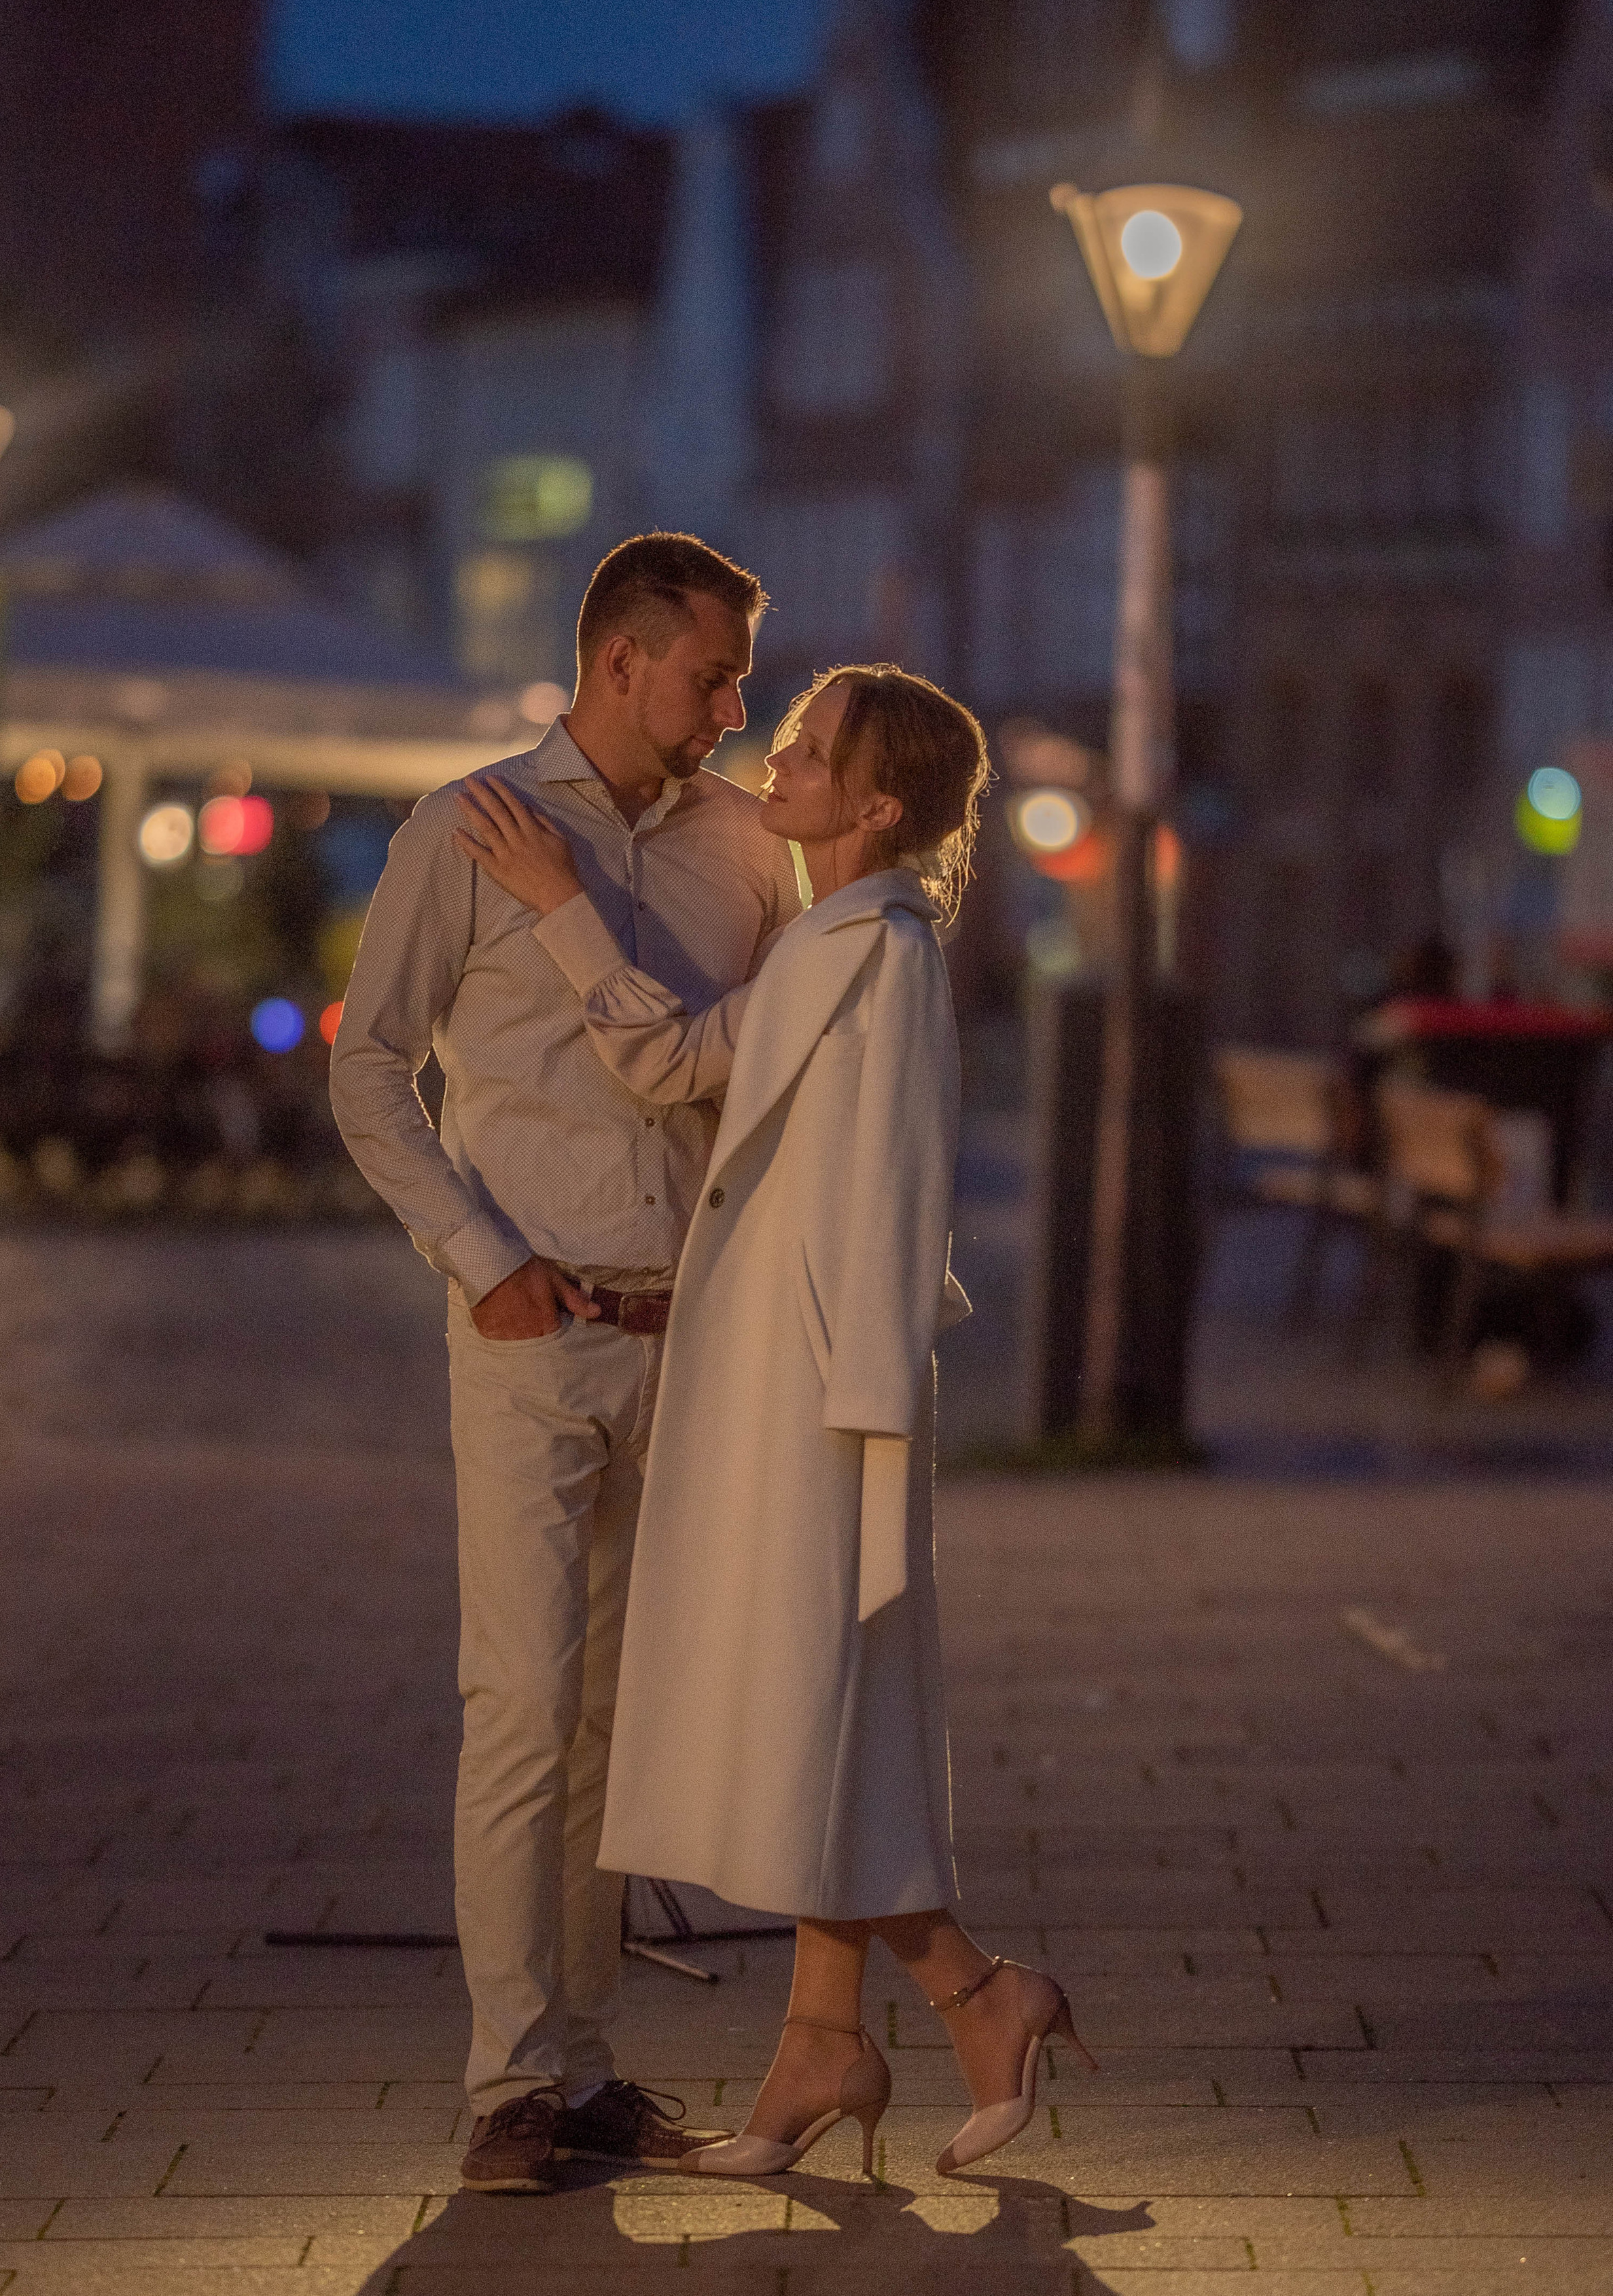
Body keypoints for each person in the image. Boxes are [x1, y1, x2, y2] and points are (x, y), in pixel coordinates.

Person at [453, 664, 1096, 2185]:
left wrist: (556, 898)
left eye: (810, 751)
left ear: (877, 805)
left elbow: (681, 1067)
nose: (776, 760)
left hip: (811, 1392)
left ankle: (970, 1994)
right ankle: (824, 2038)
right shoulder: (857, 943)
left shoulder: (853, 945)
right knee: (827, 1715)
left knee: (804, 1713)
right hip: (809, 1379)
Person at [330, 535, 801, 2193]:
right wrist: (479, 1260)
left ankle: (583, 2070)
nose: (737, 706)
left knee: (618, 1717)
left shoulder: (747, 843)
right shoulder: (463, 832)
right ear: (618, 661)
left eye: (741, 678)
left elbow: (771, 1076)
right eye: (712, 675)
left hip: (688, 1338)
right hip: (533, 1338)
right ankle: (504, 2087)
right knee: (521, 1705)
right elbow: (370, 1072)